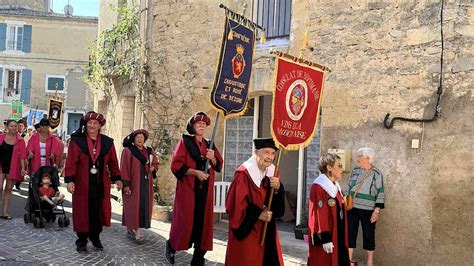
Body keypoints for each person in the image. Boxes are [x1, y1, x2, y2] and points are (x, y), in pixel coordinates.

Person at [165, 112, 223, 265]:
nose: (202, 126)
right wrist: (195, 173)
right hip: (188, 189)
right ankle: (171, 246)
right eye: (198, 124)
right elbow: (176, 165)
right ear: (193, 126)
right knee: (184, 221)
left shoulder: (209, 144)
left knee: (204, 224)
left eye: (204, 124)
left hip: (205, 192)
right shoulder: (185, 142)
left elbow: (218, 166)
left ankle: (198, 258)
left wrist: (213, 158)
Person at [64, 111, 122, 252]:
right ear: (85, 124)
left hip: (100, 184)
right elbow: (71, 162)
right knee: (82, 211)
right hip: (82, 184)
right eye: (89, 122)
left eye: (95, 123)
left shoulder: (108, 143)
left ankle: (95, 236)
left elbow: (113, 162)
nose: (92, 125)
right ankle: (82, 240)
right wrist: (70, 180)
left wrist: (117, 178)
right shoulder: (77, 141)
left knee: (98, 211)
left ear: (100, 125)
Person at [225, 137, 285, 266]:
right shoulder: (243, 174)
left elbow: (277, 208)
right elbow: (234, 205)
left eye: (273, 153)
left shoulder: (273, 172)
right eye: (266, 152)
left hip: (266, 229)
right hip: (248, 229)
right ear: (256, 153)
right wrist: (258, 213)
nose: (270, 157)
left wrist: (278, 188)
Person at [307, 153, 350, 266]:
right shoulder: (318, 187)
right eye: (339, 165)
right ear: (329, 167)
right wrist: (324, 239)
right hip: (328, 238)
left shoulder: (335, 186)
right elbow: (317, 214)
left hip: (338, 235)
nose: (342, 169)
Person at [120, 129, 159, 244]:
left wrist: (153, 168)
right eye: (137, 137)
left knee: (143, 207)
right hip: (133, 184)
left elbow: (156, 164)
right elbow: (124, 168)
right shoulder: (128, 151)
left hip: (146, 185)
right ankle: (134, 231)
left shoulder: (149, 152)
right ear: (134, 139)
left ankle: (134, 230)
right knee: (133, 207)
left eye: (142, 137)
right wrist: (126, 185)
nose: (140, 139)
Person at [347, 147, 385, 266]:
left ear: (368, 158)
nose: (357, 159)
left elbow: (381, 192)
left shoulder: (376, 174)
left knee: (368, 234)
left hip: (368, 210)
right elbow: (350, 187)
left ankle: (370, 262)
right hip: (352, 208)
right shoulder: (355, 170)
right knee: (350, 233)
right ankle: (349, 260)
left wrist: (377, 211)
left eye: (360, 156)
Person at [0, 119, 27, 219]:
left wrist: (23, 168)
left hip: (13, 167)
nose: (14, 128)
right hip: (1, 166)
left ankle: (5, 212)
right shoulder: (1, 138)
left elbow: (23, 156)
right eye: (12, 126)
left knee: (8, 189)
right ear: (7, 127)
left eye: (16, 126)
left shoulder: (20, 140)